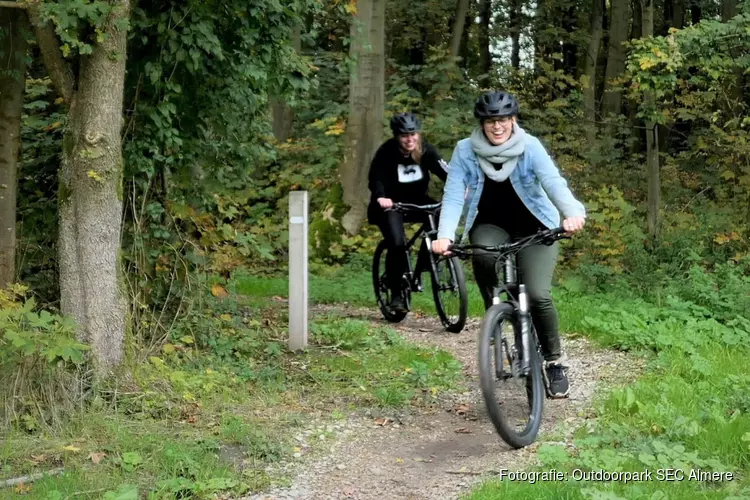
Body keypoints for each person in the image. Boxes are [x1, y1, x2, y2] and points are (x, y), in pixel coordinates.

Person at [431, 91, 586, 398]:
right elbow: (452, 195)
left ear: (513, 120)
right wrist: (445, 235)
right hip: (491, 225)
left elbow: (553, 181)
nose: (497, 126)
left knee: (538, 294)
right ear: (482, 124)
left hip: (536, 226)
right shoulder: (465, 150)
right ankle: (496, 311)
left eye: (502, 119)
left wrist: (572, 213)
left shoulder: (530, 147)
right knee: (483, 255)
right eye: (490, 121)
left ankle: (554, 361)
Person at [368, 112, 450, 312]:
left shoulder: (426, 151)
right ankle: (396, 295)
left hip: (417, 201)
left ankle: (426, 262)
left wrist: (460, 188)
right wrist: (381, 196)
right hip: (390, 204)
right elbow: (375, 177)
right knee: (397, 243)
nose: (409, 139)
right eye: (404, 135)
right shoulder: (386, 151)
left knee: (442, 216)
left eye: (413, 134)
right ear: (397, 136)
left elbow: (446, 172)